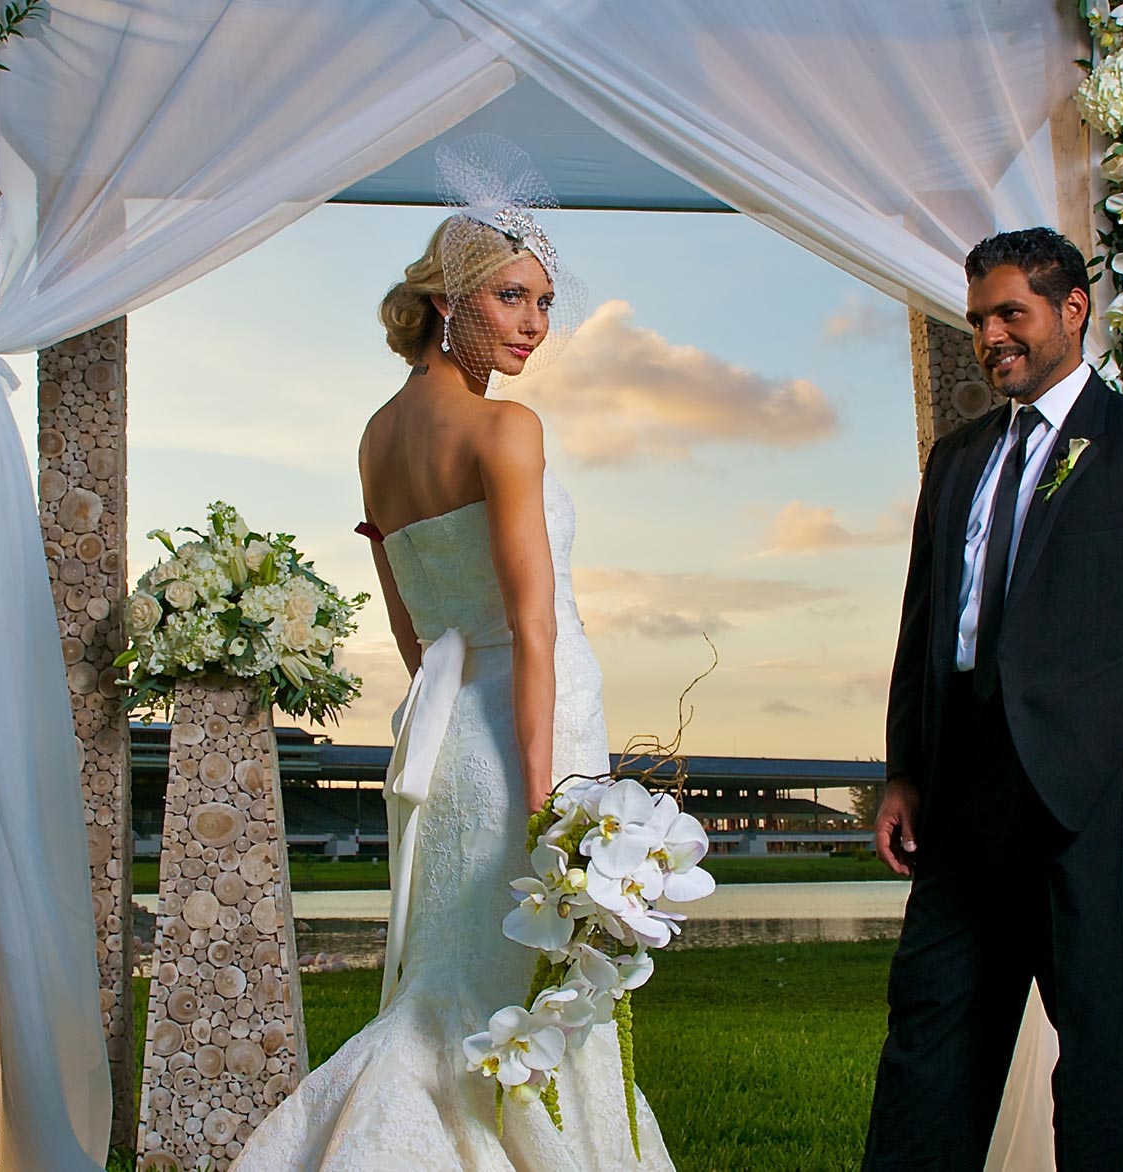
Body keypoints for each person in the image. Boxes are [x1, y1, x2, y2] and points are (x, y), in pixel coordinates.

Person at [231, 161, 674, 1172]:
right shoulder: (506, 427)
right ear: (447, 302)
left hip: (443, 729)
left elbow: (411, 632)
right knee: (515, 985)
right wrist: (548, 797)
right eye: (511, 297)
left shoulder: (377, 438)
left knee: (454, 985)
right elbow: (535, 627)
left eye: (546, 302)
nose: (534, 324)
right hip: (527, 726)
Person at [863, 227, 1123, 1171]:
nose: (990, 335)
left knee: (1092, 1057)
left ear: (1071, 310)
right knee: (926, 1043)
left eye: (1010, 313)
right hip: (957, 792)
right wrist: (904, 772)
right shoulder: (958, 459)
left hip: (1079, 793)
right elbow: (926, 627)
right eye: (977, 320)